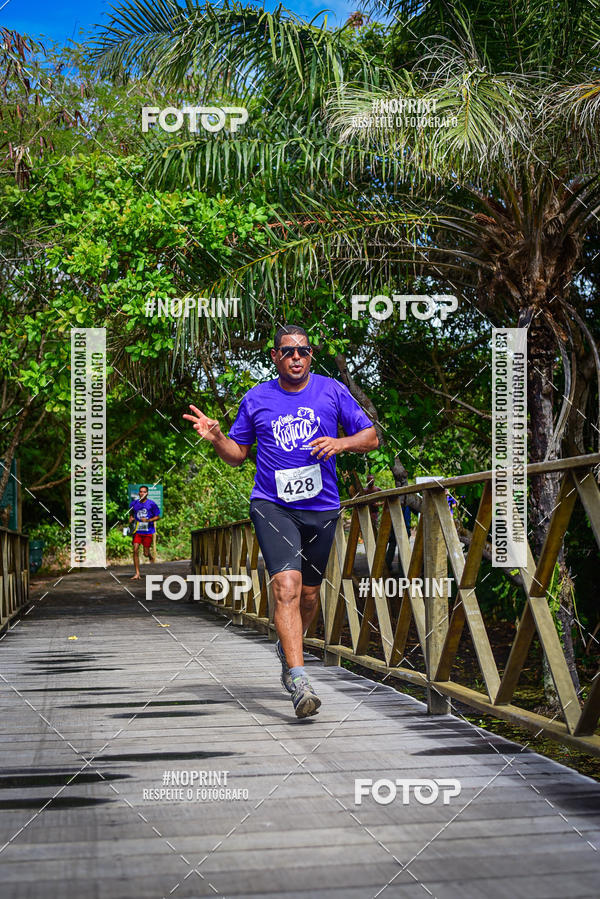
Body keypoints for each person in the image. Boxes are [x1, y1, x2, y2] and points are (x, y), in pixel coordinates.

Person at [183, 325, 378, 718]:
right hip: (272, 505)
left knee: (308, 595)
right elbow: (238, 454)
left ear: (310, 357)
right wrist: (217, 437)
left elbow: (371, 437)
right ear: (274, 356)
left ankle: (289, 651)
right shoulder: (256, 399)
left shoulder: (331, 391)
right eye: (288, 351)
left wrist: (341, 443)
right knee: (285, 588)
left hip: (321, 507)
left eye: (303, 352)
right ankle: (299, 679)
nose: (296, 357)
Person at [129, 485, 161, 580]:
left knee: (145, 553)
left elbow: (158, 516)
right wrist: (131, 519)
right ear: (139, 493)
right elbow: (131, 515)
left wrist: (148, 520)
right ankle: (137, 573)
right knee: (135, 549)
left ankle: (149, 555)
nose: (142, 493)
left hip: (148, 531)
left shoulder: (152, 504)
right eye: (141, 491)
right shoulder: (133, 504)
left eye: (144, 492)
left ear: (147, 493)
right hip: (137, 530)